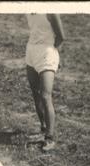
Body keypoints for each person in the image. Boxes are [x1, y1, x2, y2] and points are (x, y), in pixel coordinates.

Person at [25, 14, 65, 152]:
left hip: (47, 51)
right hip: (31, 50)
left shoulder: (51, 10)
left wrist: (54, 54)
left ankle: (50, 137)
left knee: (45, 96)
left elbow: (61, 37)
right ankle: (43, 129)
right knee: (35, 93)